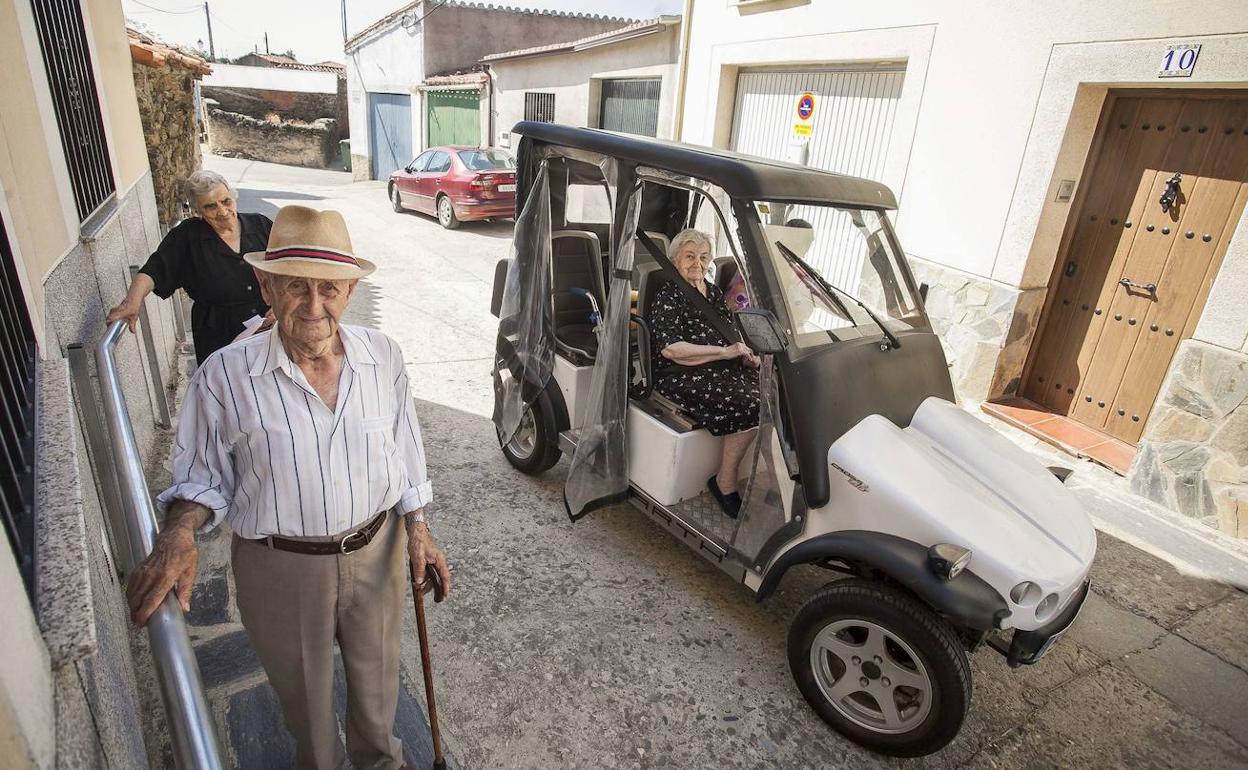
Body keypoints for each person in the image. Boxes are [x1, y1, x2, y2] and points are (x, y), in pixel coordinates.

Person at [125, 205, 451, 770]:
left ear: (350, 290)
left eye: (329, 287)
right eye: (295, 286)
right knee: (307, 709)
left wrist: (418, 528)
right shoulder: (224, 374)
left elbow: (405, 448)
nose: (314, 305)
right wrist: (178, 533)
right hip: (280, 567)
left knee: (378, 697)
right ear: (265, 285)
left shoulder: (384, 357)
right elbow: (200, 476)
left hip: (377, 553)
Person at [648, 228, 760, 517]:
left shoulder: (712, 292)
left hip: (719, 367)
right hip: (680, 372)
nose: (697, 262)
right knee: (751, 403)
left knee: (775, 391)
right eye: (689, 256)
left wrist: (747, 356)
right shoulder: (669, 294)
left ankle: (765, 481)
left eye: (703, 256)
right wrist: (724, 352)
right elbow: (671, 350)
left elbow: (728, 333)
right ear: (675, 260)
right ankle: (724, 482)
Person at [107, 170, 273, 362]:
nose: (222, 211)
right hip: (219, 335)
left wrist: (280, 308)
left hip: (269, 326)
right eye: (210, 207)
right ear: (198, 211)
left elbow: (293, 267)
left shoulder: (261, 225)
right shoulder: (187, 237)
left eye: (226, 201)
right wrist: (131, 302)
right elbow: (153, 271)